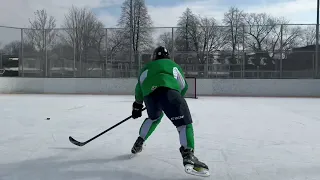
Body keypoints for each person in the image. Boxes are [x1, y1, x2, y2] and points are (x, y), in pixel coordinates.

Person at [130, 46, 209, 174]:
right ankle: (188, 154)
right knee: (184, 124)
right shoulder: (173, 65)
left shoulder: (147, 67)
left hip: (150, 97)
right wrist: (175, 100)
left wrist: (137, 105)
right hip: (170, 94)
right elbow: (183, 86)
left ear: (154, 57)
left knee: (153, 118)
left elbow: (139, 87)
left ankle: (139, 141)